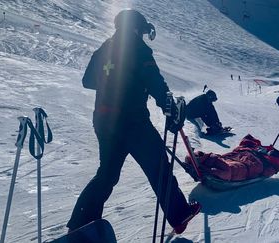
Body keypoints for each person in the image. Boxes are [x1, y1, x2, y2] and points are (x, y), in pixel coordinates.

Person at [67, 9, 200, 234]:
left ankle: (81, 223)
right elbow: (155, 82)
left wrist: (111, 80)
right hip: (133, 121)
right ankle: (179, 214)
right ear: (137, 28)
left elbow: (88, 81)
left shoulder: (104, 48)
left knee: (107, 174)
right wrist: (167, 106)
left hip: (103, 120)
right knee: (159, 168)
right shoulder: (139, 49)